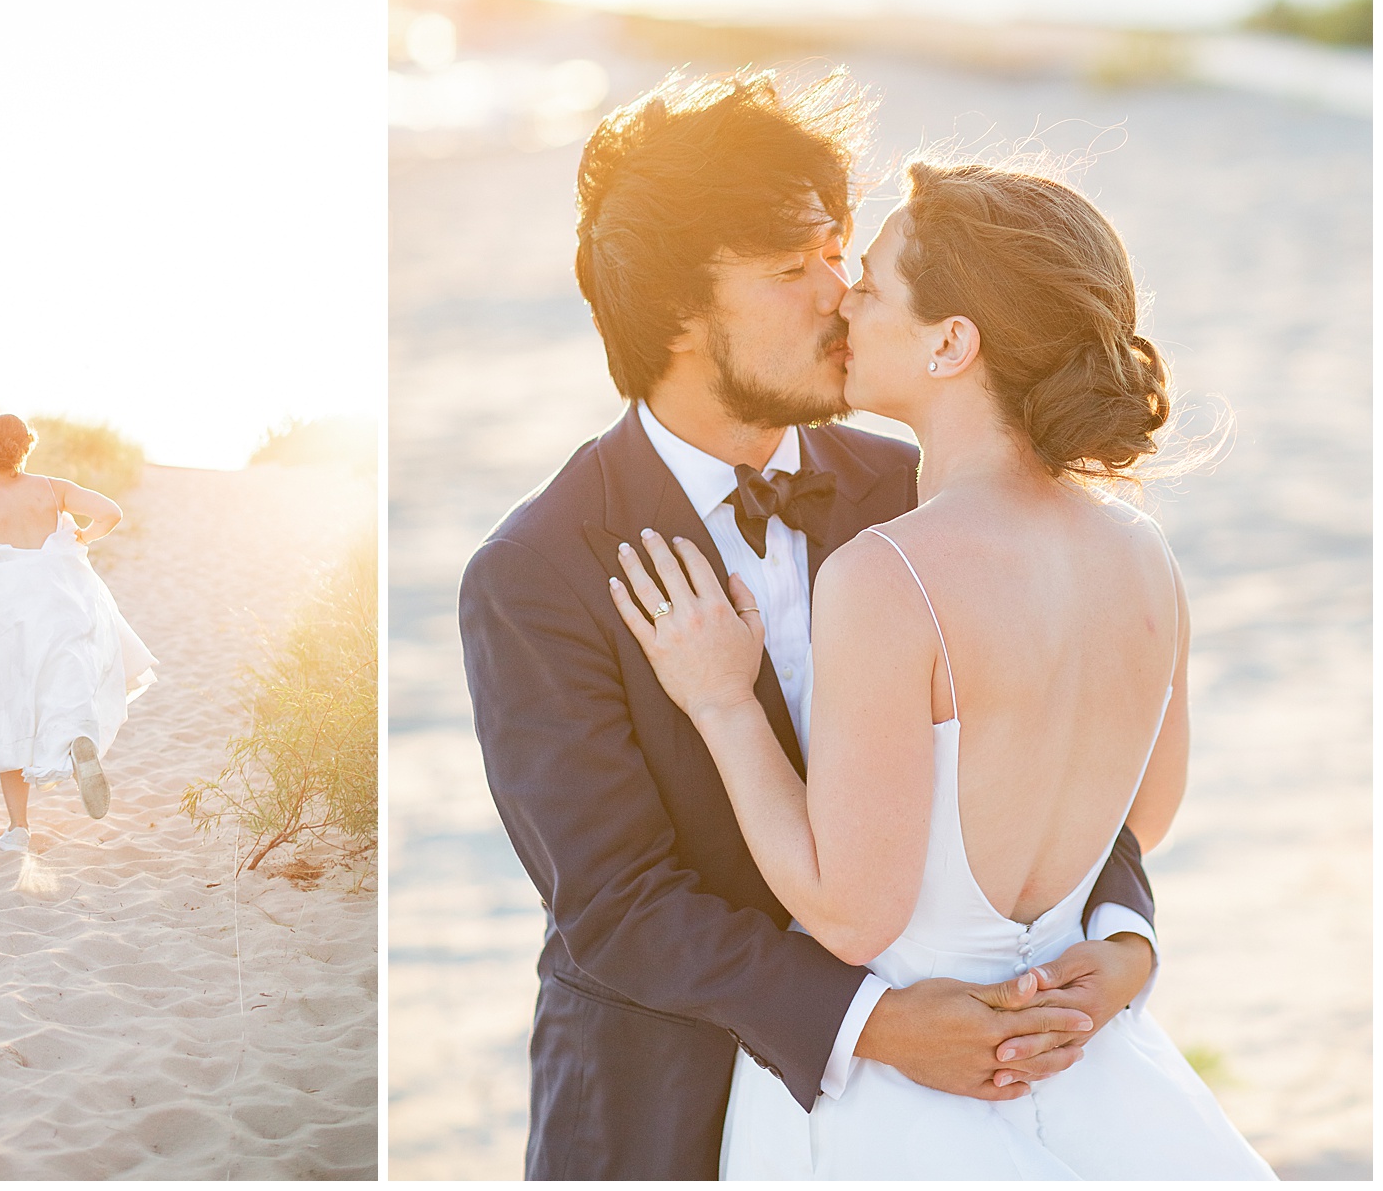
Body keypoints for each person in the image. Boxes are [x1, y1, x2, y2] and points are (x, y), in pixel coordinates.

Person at [458, 73, 1160, 1180]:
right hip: (664, 1109)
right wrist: (875, 1024)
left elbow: (1052, 746)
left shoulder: (916, 489)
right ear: (678, 313)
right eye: (792, 269)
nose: (839, 293)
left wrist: (1120, 936)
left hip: (957, 1105)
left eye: (839, 251)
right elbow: (616, 902)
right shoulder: (536, 568)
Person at [609, 160, 1271, 1176]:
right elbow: (1140, 820)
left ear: (949, 342)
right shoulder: (1143, 557)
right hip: (1079, 1066)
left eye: (869, 284)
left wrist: (719, 703)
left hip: (903, 1093)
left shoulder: (888, 575)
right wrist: (1115, 949)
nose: (843, 305)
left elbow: (850, 910)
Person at [0, 413, 157, 852]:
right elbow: (111, 512)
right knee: (63, 684)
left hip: (6, 617)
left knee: (10, 710)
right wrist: (84, 534)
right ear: (26, 445)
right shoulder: (53, 488)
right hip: (59, 603)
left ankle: (18, 829)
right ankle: (77, 741)